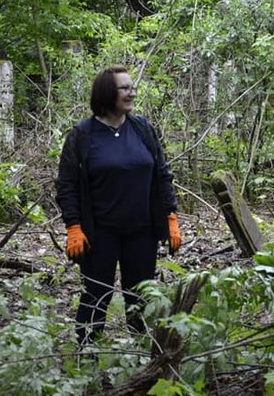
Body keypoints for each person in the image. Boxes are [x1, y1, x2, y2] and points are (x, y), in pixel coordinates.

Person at [55, 65, 182, 345]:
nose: (131, 92)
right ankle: (87, 353)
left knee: (140, 297)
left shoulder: (142, 129)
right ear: (106, 92)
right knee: (95, 296)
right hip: (99, 234)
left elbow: (162, 174)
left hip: (142, 233)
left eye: (131, 87)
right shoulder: (83, 135)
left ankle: (142, 353)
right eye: (124, 88)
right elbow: (67, 184)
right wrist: (73, 226)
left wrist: (170, 216)